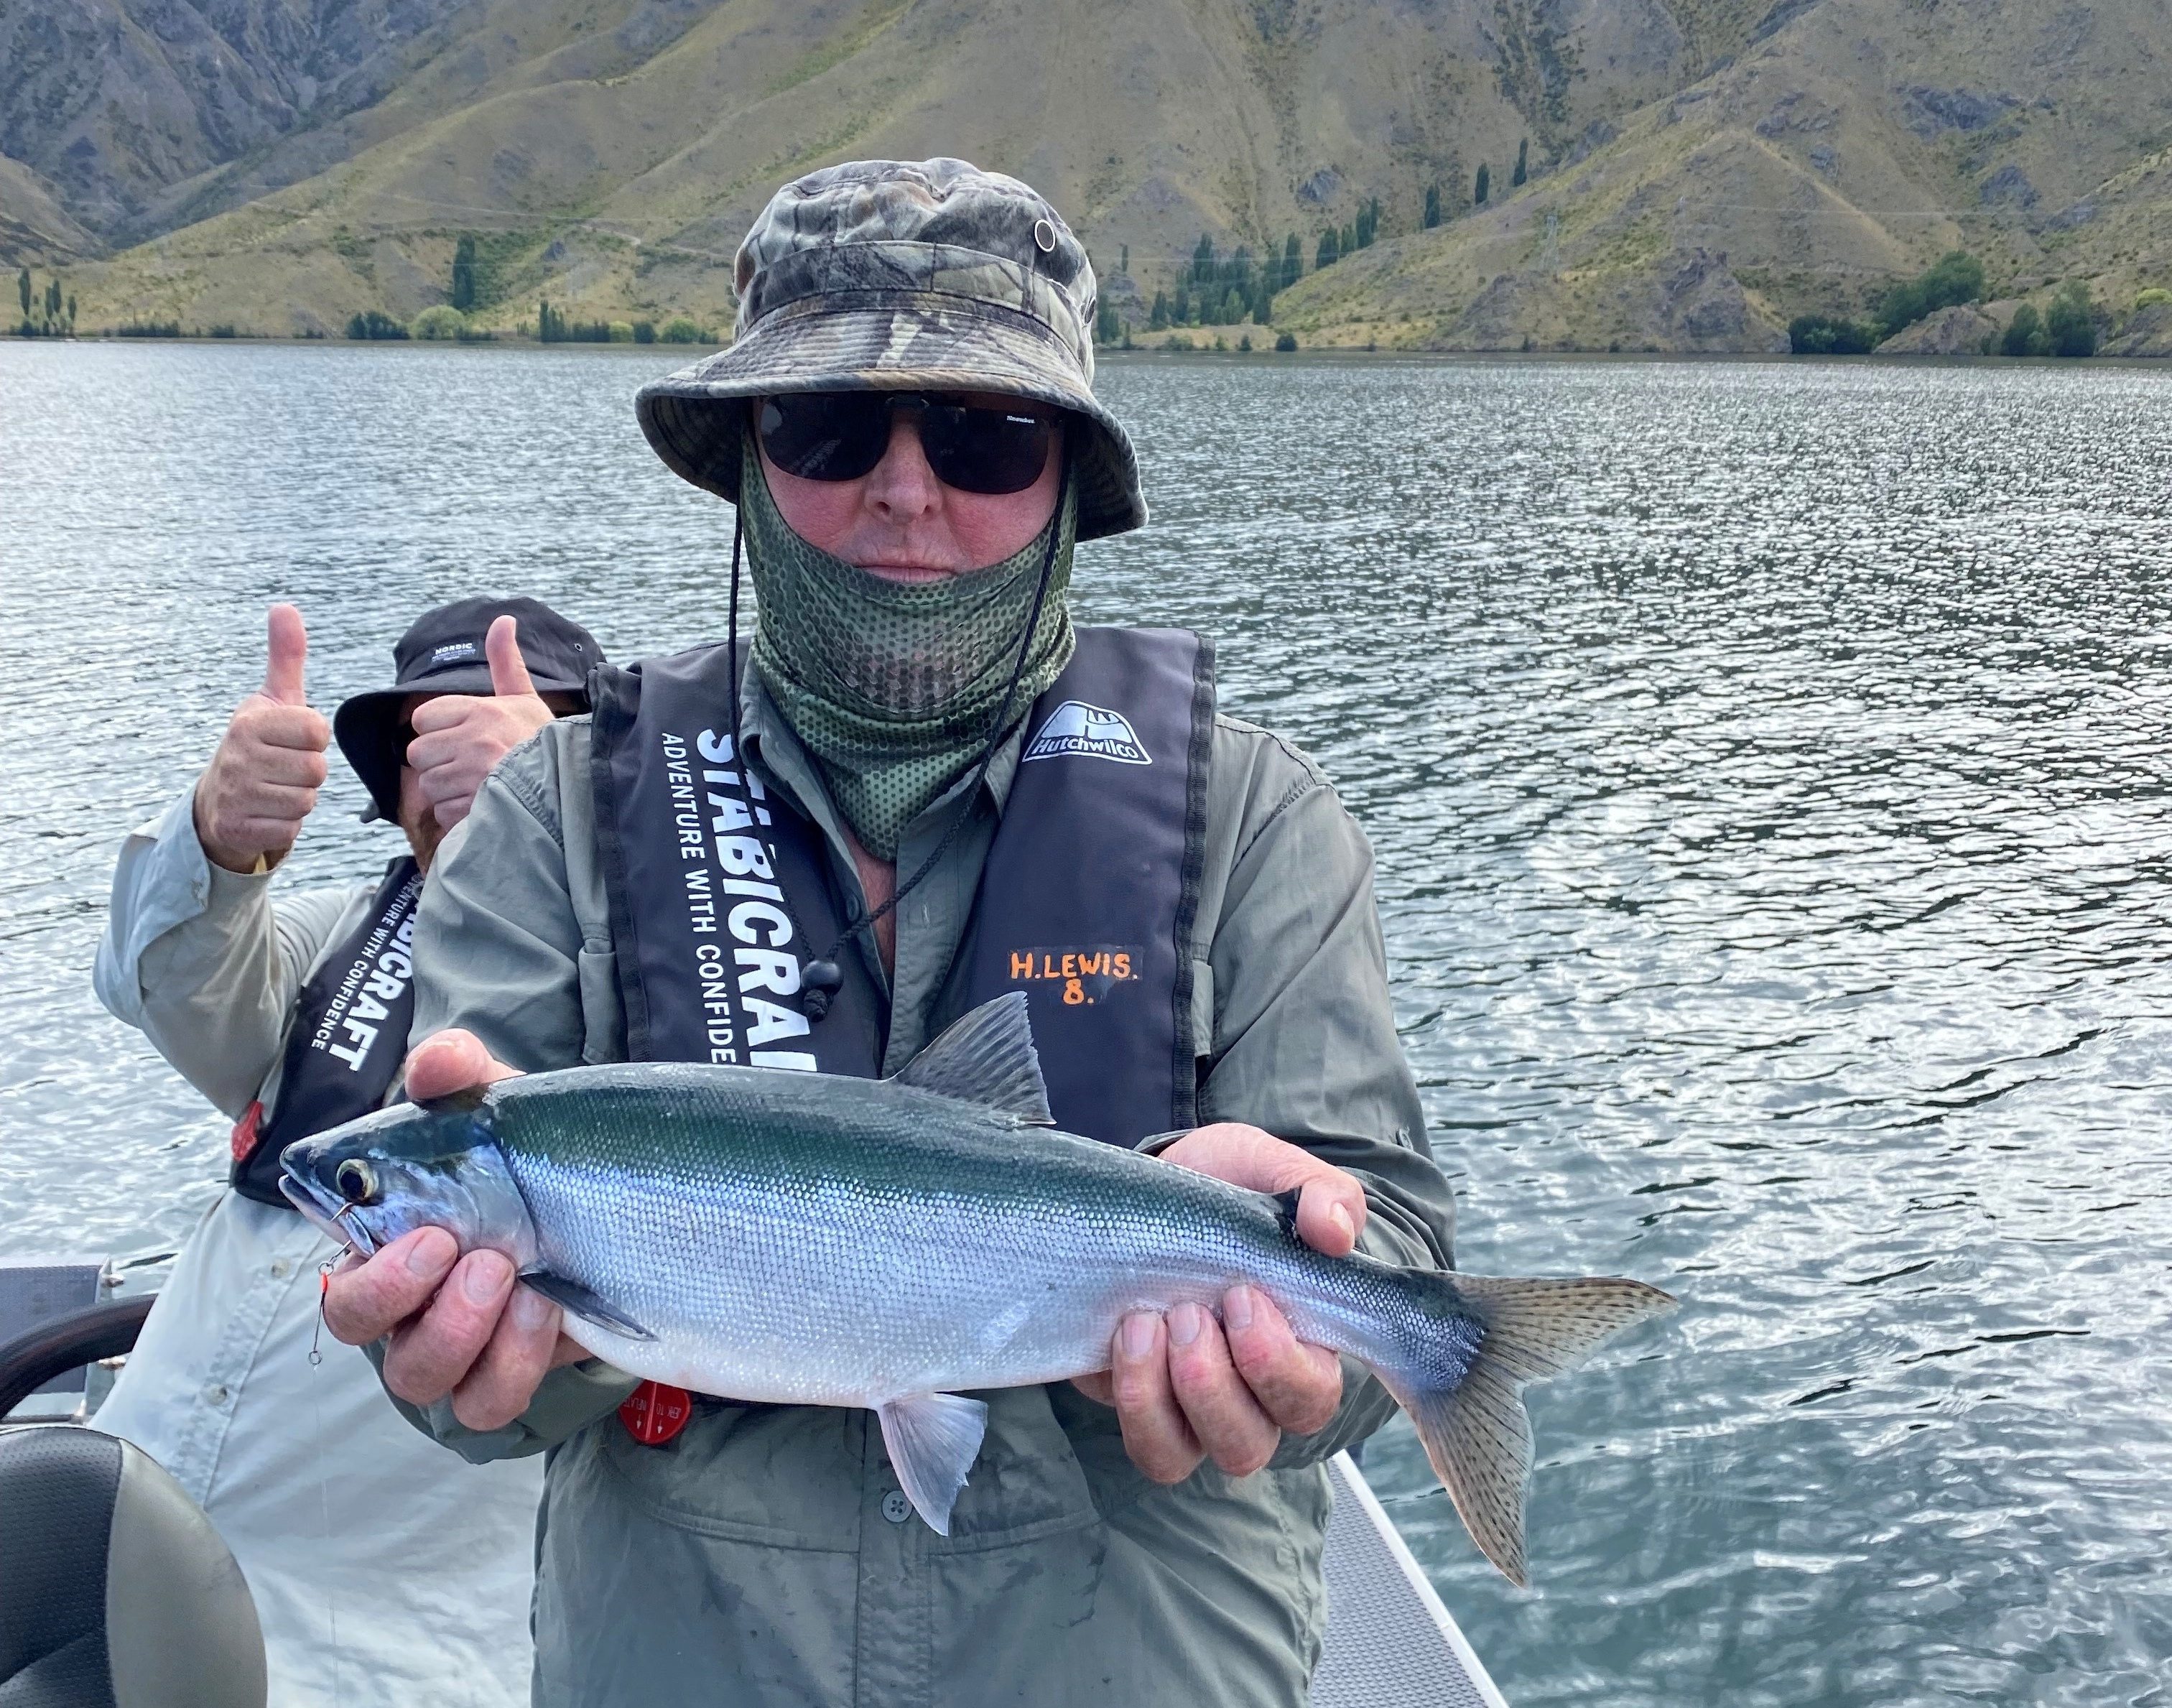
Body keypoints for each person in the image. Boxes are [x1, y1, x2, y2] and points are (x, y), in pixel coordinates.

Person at [323, 159, 1457, 1707]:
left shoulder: (1260, 820)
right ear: (746, 458)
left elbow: (1387, 1256)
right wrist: (462, 1365)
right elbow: (475, 1407)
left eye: (988, 436)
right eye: (831, 425)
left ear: (1068, 477)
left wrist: (1312, 1344)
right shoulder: (558, 816)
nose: (906, 493)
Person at [93, 596, 606, 1708]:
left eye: (507, 728)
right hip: (107, 1542)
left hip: (377, 1655)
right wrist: (216, 843)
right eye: (425, 737)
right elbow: (160, 989)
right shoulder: (339, 936)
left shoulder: (646, 980)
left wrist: (550, 812)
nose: (457, 765)